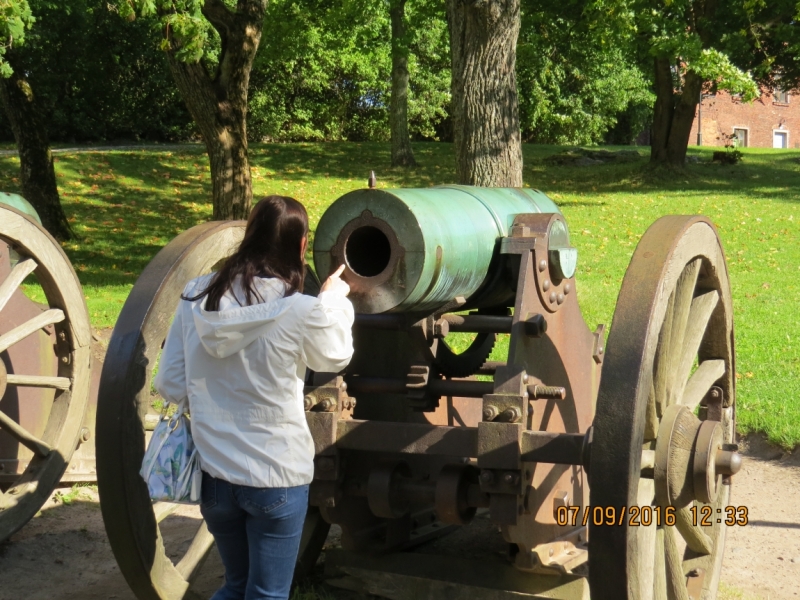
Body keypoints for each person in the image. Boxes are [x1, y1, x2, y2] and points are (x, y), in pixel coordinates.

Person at [153, 195, 354, 600]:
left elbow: (171, 382)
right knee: (266, 594)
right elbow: (334, 355)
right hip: (275, 476)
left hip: (214, 477)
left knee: (236, 586)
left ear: (249, 236)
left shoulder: (195, 296)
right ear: (300, 246)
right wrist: (333, 298)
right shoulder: (300, 309)